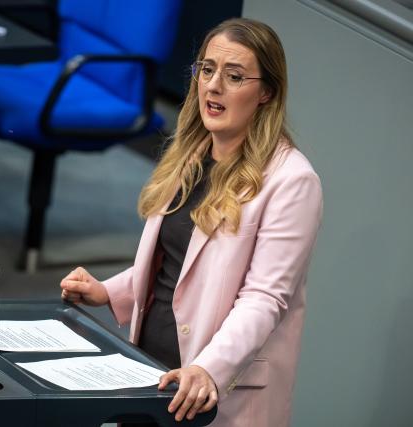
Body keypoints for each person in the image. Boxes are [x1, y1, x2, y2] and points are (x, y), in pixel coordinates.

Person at [60, 17, 322, 427]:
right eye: (207, 69)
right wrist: (108, 292)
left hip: (216, 387)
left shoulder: (292, 182)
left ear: (266, 93)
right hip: (151, 370)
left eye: (234, 76)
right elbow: (181, 267)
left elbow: (264, 298)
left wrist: (209, 369)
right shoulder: (192, 151)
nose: (214, 85)